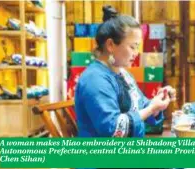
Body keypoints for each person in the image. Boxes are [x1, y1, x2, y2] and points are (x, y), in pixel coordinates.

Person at [74, 5, 176, 138]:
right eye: (133, 47)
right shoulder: (95, 79)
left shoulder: (122, 73)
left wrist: (158, 102)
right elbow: (114, 129)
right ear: (110, 45)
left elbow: (141, 105)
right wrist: (150, 109)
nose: (136, 53)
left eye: (137, 47)